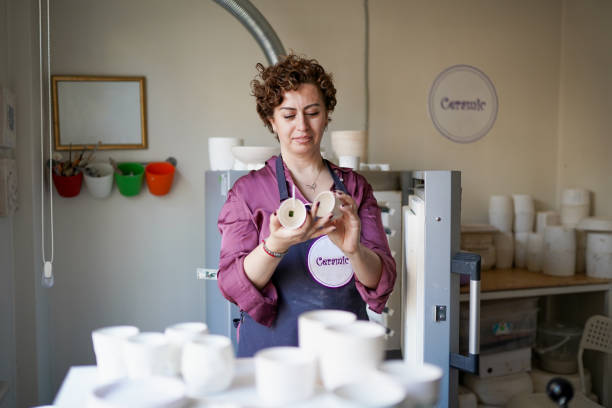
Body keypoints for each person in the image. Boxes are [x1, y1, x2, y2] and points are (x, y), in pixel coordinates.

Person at [217, 54, 396, 357]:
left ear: (326, 116)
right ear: (271, 121)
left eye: (312, 112)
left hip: (343, 351)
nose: (302, 126)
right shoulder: (247, 193)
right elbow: (233, 286)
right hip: (274, 354)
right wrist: (275, 245)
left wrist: (354, 250)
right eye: (288, 115)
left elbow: (381, 282)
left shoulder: (355, 188)